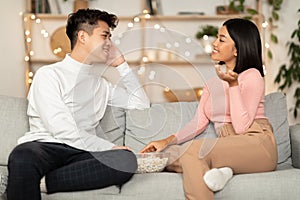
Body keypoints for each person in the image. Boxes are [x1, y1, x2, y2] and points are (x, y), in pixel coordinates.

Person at [7, 8, 150, 200]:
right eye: (105, 36)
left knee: (125, 161)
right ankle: (33, 176)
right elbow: (61, 128)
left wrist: (122, 65)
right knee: (22, 156)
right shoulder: (49, 75)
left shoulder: (101, 84)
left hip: (82, 154)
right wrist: (106, 146)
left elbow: (141, 103)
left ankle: (44, 182)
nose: (109, 43)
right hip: (45, 147)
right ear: (82, 36)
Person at [141, 18, 278, 200]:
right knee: (165, 155)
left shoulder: (251, 76)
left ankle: (220, 170)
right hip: (227, 146)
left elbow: (242, 127)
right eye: (217, 38)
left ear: (237, 48)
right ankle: (223, 171)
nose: (214, 43)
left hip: (256, 143)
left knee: (194, 150)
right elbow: (198, 123)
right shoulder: (212, 84)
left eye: (221, 39)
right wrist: (165, 141)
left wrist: (234, 85)